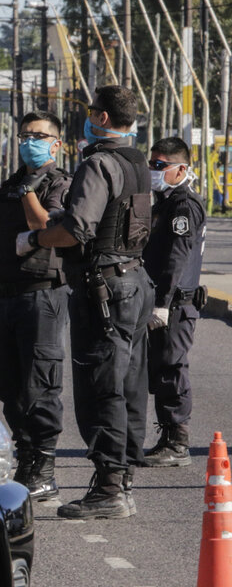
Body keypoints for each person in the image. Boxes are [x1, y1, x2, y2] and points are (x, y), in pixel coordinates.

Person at [16, 85, 153, 519]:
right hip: (133, 279)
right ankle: (121, 481)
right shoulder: (139, 162)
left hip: (104, 288)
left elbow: (77, 230)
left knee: (101, 388)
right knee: (128, 386)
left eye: (93, 112)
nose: (88, 118)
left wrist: (35, 238)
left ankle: (109, 488)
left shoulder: (99, 163)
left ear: (104, 118)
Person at [0, 110, 72, 500]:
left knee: (41, 383)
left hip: (43, 293)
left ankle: (46, 466)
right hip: (7, 293)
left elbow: (43, 225)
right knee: (9, 384)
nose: (29, 142)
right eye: (24, 136)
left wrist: (30, 190)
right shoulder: (9, 186)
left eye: (38, 136)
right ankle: (26, 455)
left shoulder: (60, 183)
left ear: (56, 143)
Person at [142, 137, 207, 467]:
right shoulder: (164, 203)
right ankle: (167, 436)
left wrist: (162, 303)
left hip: (177, 303)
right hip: (166, 300)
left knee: (172, 368)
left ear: (181, 169)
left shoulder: (182, 206)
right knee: (160, 368)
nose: (153, 170)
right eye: (151, 163)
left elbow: (177, 258)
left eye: (159, 166)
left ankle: (177, 443)